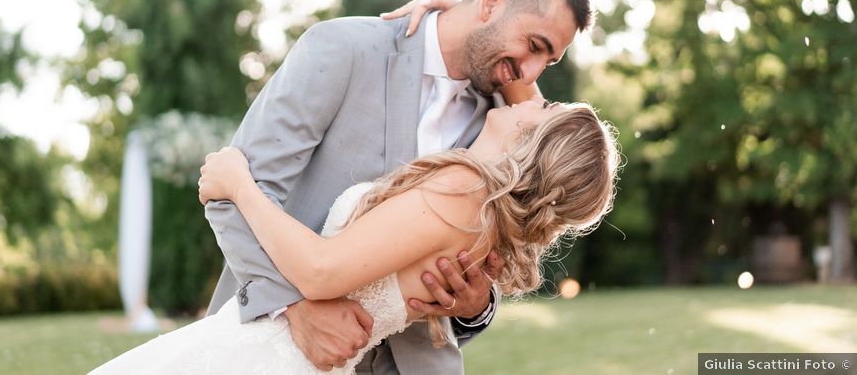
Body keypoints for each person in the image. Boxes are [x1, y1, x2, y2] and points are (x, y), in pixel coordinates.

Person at [91, 98, 620, 374]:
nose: (532, 96)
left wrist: (241, 186)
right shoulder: (486, 220)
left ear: (537, 137)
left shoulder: (464, 193)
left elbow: (322, 272)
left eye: (547, 107)